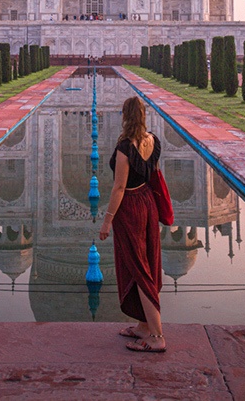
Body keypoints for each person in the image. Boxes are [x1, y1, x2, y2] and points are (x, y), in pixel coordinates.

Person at [99, 96, 165, 353]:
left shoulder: (126, 147)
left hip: (130, 208)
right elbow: (154, 173)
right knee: (147, 261)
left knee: (139, 268)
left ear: (125, 116)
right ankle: (142, 326)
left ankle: (157, 336)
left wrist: (107, 220)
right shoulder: (153, 140)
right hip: (148, 204)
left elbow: (119, 187)